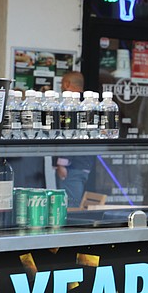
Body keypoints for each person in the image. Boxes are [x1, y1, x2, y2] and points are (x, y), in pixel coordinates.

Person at [54, 71, 95, 207]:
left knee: (69, 209)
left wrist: (62, 163)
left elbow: (69, 134)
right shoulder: (89, 106)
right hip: (85, 164)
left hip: (72, 166)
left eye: (61, 84)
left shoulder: (72, 106)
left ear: (66, 84)